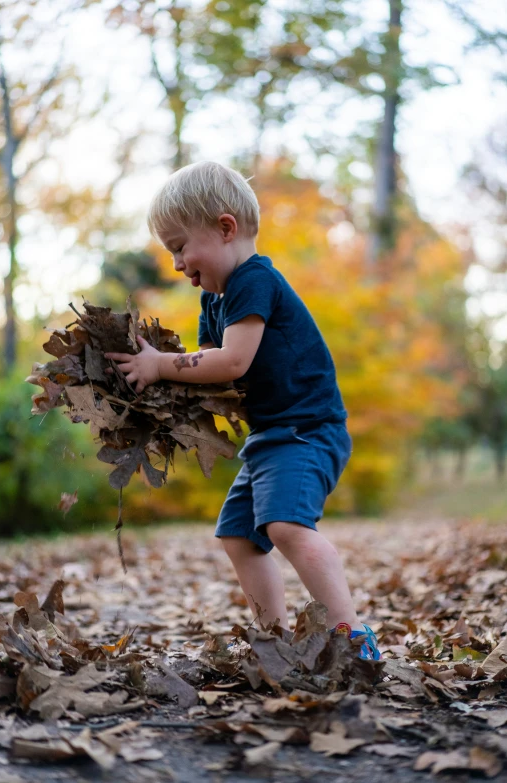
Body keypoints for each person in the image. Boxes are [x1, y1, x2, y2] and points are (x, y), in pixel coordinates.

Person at [105, 161, 380, 660]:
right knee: (238, 536)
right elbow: (217, 375)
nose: (175, 264)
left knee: (286, 527)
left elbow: (232, 359)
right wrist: (155, 395)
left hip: (306, 430)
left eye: (179, 247)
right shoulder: (216, 300)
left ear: (225, 228)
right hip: (270, 438)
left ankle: (353, 638)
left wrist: (161, 365)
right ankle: (274, 640)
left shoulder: (254, 280)